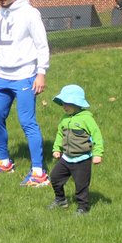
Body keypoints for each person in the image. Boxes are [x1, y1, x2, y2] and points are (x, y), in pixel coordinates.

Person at [0, 0, 51, 186]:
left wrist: (41, 73)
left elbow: (42, 45)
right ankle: (4, 162)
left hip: (25, 75)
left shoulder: (30, 14)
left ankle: (39, 173)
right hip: (2, 76)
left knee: (27, 122)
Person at [46, 84, 104, 215]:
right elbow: (60, 134)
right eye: (63, 103)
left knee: (81, 186)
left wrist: (97, 154)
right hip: (66, 158)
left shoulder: (86, 119)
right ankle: (60, 200)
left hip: (82, 159)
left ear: (77, 103)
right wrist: (56, 148)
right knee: (55, 177)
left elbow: (97, 136)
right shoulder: (64, 119)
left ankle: (83, 208)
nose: (64, 106)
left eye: (67, 103)